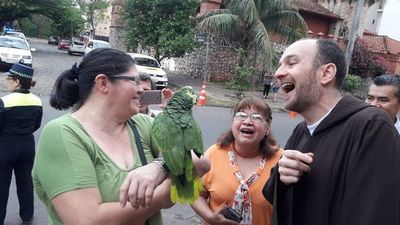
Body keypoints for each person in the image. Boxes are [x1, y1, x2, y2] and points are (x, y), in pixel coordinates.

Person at [263, 39, 400, 225]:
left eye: (291, 63)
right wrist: (282, 176)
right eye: (280, 65)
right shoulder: (301, 131)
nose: (278, 73)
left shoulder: (371, 126)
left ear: (326, 73)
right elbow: (273, 195)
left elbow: (373, 213)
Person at [32, 48, 173, 225]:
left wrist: (160, 167)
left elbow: (197, 159)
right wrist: (163, 195)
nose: (141, 90)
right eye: (134, 81)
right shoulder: (62, 133)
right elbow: (87, 220)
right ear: (103, 83)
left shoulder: (143, 124)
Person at [192, 98, 283, 225]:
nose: (247, 121)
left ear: (267, 128)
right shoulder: (214, 153)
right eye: (241, 116)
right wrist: (210, 217)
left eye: (256, 118)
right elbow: (196, 194)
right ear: (233, 123)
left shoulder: (281, 160)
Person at [0, 63, 43, 224]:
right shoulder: (37, 101)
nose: (6, 81)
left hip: (5, 147)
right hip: (27, 146)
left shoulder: (4, 101)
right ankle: (27, 214)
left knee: (2, 184)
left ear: (17, 81)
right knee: (25, 181)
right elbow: (36, 124)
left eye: (9, 78)